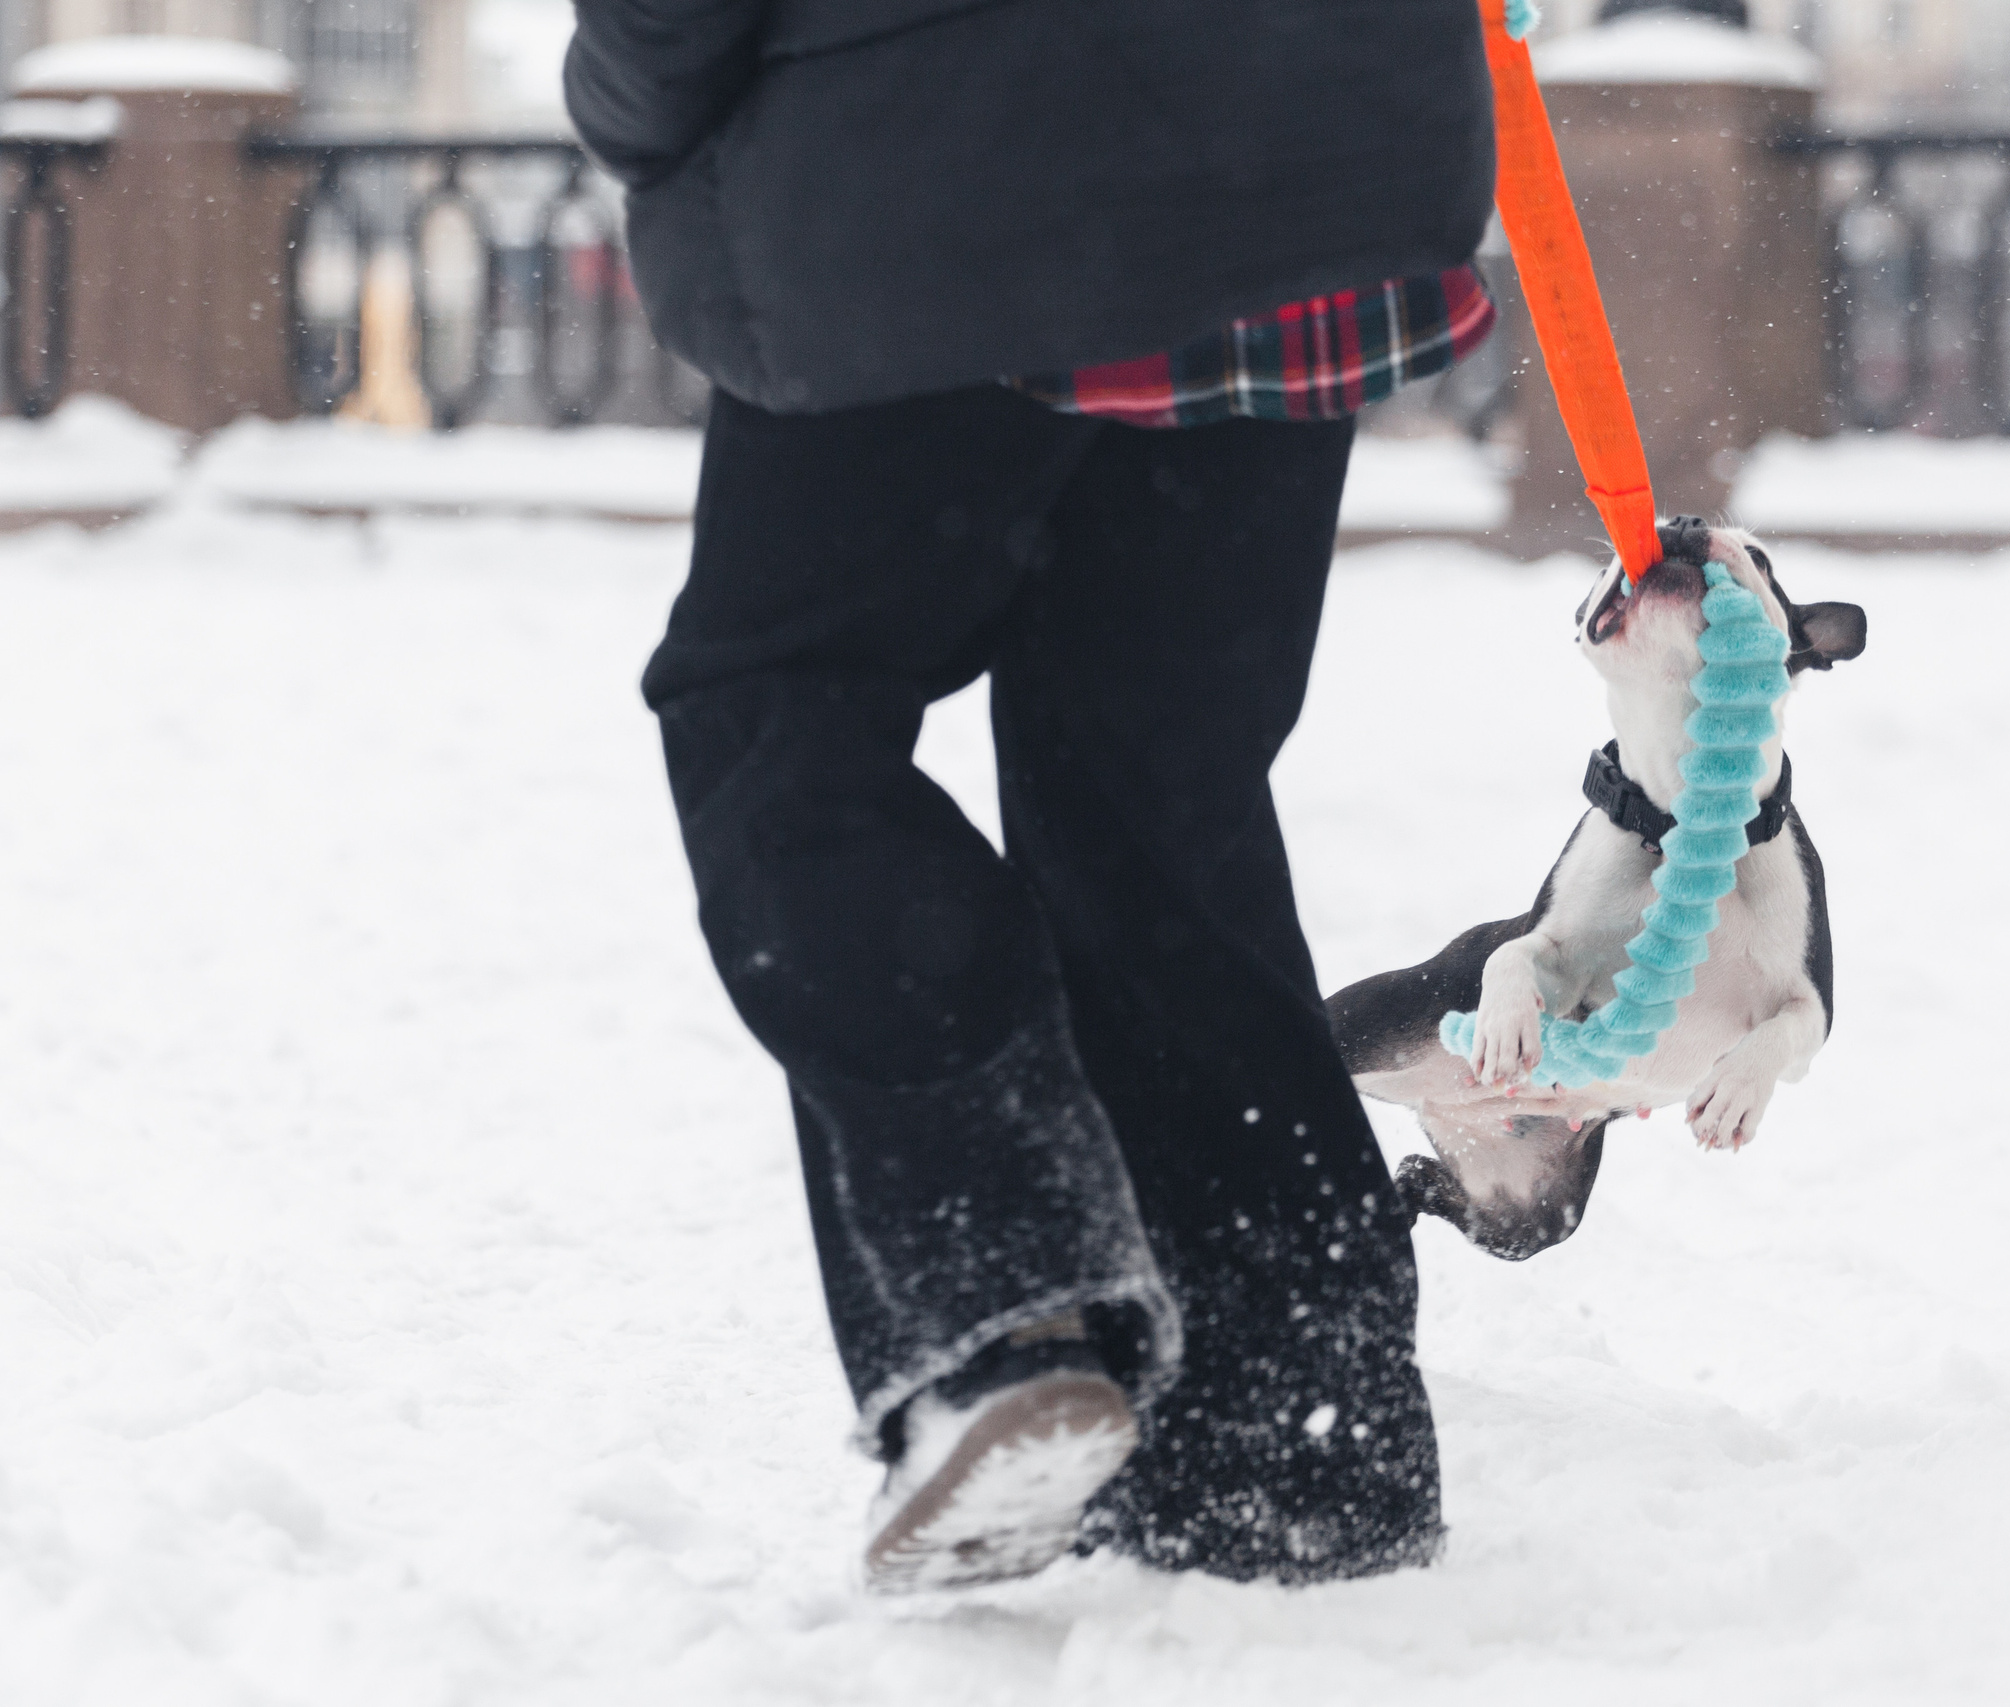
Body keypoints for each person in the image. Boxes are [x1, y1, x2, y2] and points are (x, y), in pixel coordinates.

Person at [564, 0, 1497, 1590]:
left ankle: (1009, 1300)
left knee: (780, 711)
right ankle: (1295, 1436)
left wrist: (638, 104)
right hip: (1302, 165)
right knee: (1153, 790)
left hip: (938, 175)